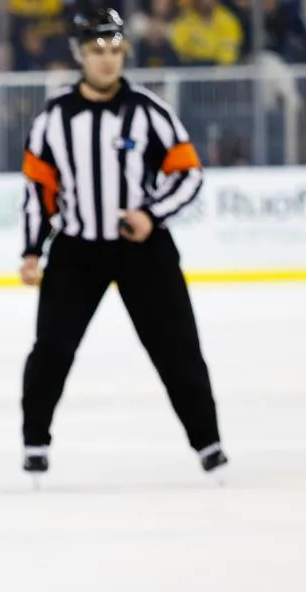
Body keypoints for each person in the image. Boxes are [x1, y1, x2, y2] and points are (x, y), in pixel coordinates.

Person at [18, 7, 227, 479]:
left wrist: (150, 215)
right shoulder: (53, 120)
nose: (108, 60)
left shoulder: (151, 112)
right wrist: (32, 250)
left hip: (144, 251)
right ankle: (35, 443)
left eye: (115, 50)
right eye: (97, 50)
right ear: (79, 54)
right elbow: (38, 192)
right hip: (76, 251)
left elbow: (189, 174)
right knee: (51, 350)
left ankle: (208, 444)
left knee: (177, 348)